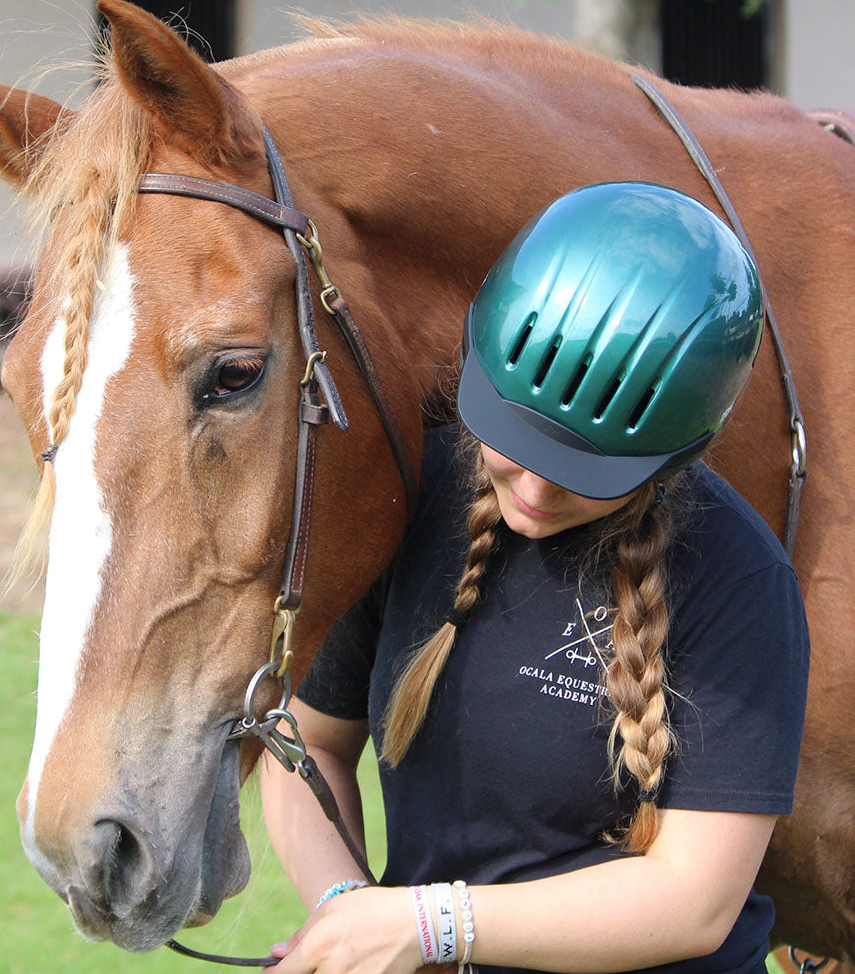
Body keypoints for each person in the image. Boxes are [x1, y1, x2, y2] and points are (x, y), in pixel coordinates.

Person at [261, 182, 809, 974]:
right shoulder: (419, 500)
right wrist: (349, 911)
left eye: (580, 471)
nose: (534, 490)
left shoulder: (738, 580)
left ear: (676, 450)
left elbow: (695, 900)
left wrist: (429, 922)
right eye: (514, 442)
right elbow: (307, 743)